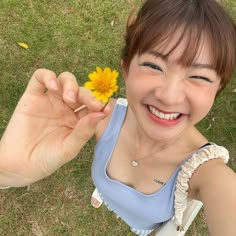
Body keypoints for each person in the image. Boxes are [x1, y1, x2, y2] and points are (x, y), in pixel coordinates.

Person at [0, 0, 235, 235]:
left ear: (218, 89)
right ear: (126, 69)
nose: (169, 96)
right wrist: (7, 170)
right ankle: (107, 192)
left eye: (200, 77)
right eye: (154, 65)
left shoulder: (208, 173)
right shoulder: (98, 117)